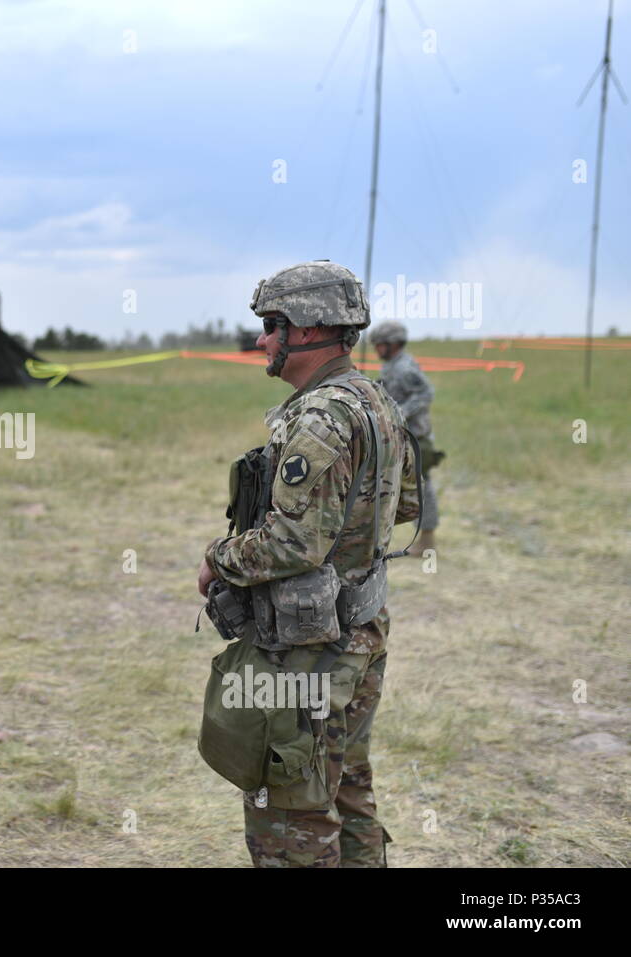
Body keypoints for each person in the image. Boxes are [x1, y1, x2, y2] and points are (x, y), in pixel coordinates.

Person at [197, 261, 420, 867]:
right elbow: (405, 508)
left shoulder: (320, 417)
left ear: (311, 329)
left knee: (291, 812)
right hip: (362, 633)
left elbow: (292, 545)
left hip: (310, 651)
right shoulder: (377, 401)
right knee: (347, 789)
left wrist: (218, 560)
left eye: (272, 325)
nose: (263, 340)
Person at [370, 321, 439, 553]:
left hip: (416, 438)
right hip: (402, 436)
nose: (376, 349)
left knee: (421, 487)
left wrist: (399, 413)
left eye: (380, 345)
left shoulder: (404, 368)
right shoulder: (391, 366)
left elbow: (426, 393)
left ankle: (427, 539)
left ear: (394, 344)